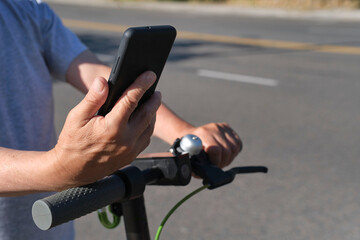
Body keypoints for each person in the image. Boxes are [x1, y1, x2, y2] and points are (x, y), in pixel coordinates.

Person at [0, 0, 242, 239]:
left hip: (54, 230)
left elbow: (93, 74)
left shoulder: (25, 8)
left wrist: (185, 133)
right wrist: (58, 168)